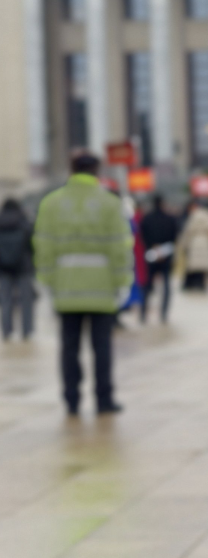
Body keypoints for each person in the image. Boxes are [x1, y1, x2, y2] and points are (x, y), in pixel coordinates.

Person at [33, 152, 132, 416]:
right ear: (97, 171)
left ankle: (71, 399)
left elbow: (43, 246)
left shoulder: (51, 203)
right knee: (102, 347)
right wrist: (123, 282)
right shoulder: (110, 203)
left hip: (65, 288)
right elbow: (119, 247)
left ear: (71, 170)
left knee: (69, 347)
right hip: (102, 288)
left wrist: (46, 281)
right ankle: (104, 399)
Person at [139, 195, 178, 324]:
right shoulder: (170, 218)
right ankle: (164, 313)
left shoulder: (147, 218)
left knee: (147, 285)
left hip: (150, 254)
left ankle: (143, 313)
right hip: (166, 255)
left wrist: (153, 247)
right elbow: (174, 235)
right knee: (166, 285)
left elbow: (142, 234)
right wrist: (162, 250)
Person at [0, 197, 35, 341]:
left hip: (3, 268)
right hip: (23, 266)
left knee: (6, 301)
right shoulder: (24, 221)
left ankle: (7, 331)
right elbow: (32, 244)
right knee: (26, 301)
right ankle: (27, 331)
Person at [178, 200, 208, 289]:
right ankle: (201, 284)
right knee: (203, 267)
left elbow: (188, 231)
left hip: (194, 241)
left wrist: (183, 244)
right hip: (206, 242)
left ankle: (193, 285)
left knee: (193, 266)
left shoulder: (193, 215)